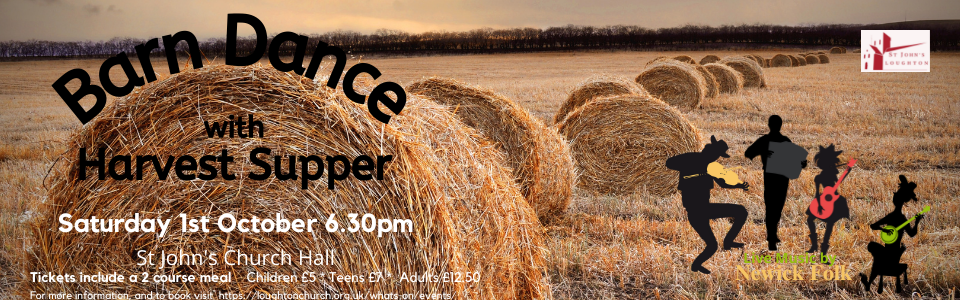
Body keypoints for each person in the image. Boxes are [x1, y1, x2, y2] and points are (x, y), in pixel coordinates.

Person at [666, 135, 748, 274]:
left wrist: (739, 185)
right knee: (741, 212)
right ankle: (728, 242)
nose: (717, 159)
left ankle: (696, 265)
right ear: (713, 153)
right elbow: (669, 163)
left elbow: (722, 183)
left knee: (712, 246)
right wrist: (688, 163)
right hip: (699, 210)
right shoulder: (691, 159)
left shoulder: (710, 167)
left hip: (698, 212)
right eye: (717, 156)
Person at [745, 115, 806, 251]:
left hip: (770, 178)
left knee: (770, 207)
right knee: (777, 207)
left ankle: (772, 235)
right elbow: (801, 161)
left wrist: (764, 153)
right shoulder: (786, 141)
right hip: (783, 178)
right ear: (781, 125)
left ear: (768, 125)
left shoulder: (764, 140)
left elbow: (748, 153)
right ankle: (772, 237)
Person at [860, 175, 923, 293]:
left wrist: (884, 230)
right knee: (874, 250)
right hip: (892, 251)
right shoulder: (902, 219)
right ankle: (868, 283)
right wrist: (917, 222)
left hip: (893, 252)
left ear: (897, 200)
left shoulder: (895, 218)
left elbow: (874, 226)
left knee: (876, 256)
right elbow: (912, 233)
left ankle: (868, 283)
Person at [806, 144, 850, 255]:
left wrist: (848, 169)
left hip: (834, 199)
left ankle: (823, 251)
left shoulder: (833, 174)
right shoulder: (819, 177)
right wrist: (819, 205)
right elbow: (816, 194)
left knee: (830, 223)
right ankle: (814, 246)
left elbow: (839, 179)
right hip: (822, 199)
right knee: (810, 219)